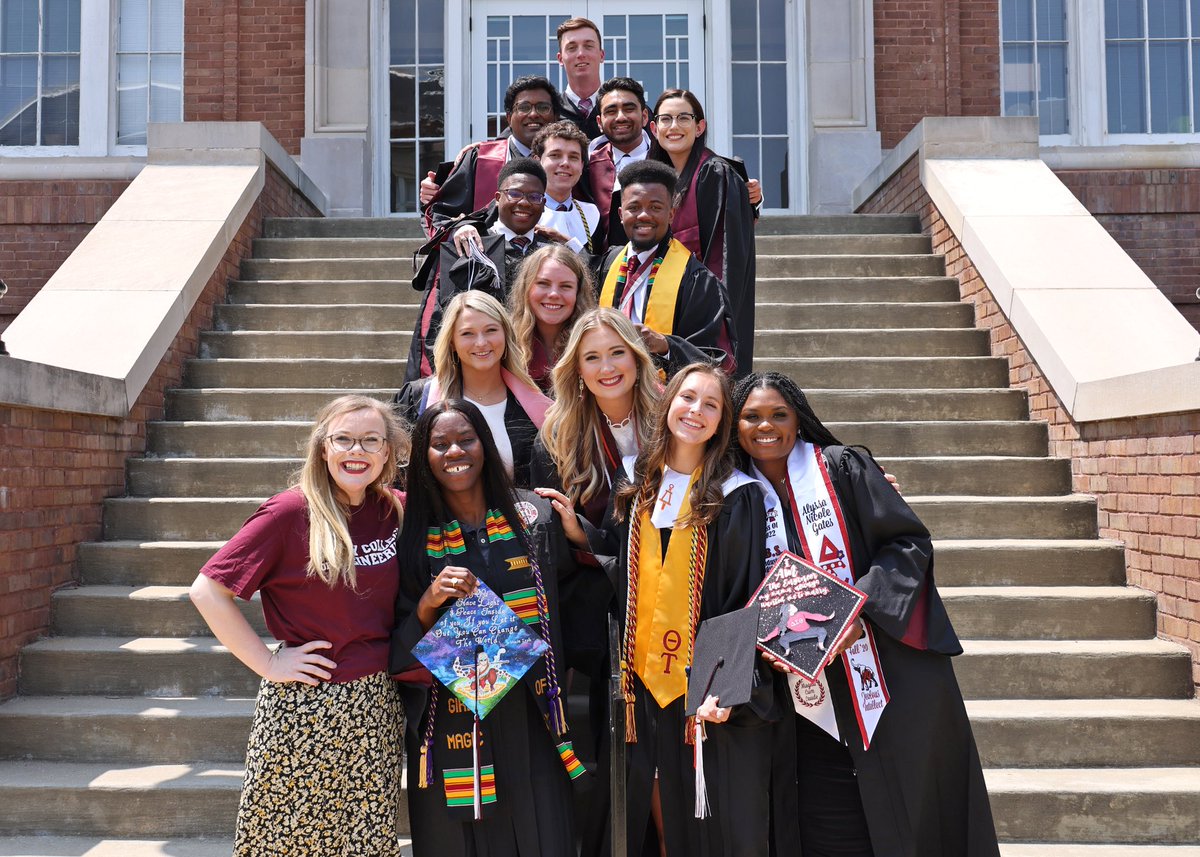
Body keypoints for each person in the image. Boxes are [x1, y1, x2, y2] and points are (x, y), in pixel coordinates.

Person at [732, 371, 1001, 857]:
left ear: (799, 419)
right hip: (798, 685)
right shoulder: (734, 496)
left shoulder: (841, 468)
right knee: (824, 811)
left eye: (779, 414)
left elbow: (906, 542)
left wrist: (859, 610)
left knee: (908, 803)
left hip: (882, 664)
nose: (765, 426)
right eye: (751, 416)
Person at [188, 395, 409, 856]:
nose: (357, 451)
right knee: (287, 842)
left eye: (371, 440)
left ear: (388, 452)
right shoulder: (290, 512)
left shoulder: (396, 510)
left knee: (365, 841)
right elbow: (208, 590)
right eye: (344, 439)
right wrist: (269, 663)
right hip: (305, 706)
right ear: (323, 448)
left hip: (378, 705)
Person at [390, 399, 599, 857]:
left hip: (535, 714)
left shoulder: (535, 518)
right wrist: (430, 601)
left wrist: (584, 537)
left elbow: (585, 594)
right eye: (440, 444)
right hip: (454, 719)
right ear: (423, 456)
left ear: (485, 444)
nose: (455, 452)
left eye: (466, 439)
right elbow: (397, 644)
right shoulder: (413, 540)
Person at [600, 362, 784, 857]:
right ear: (667, 404)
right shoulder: (636, 480)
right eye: (687, 398)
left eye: (711, 404)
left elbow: (741, 595)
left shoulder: (735, 495)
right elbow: (624, 568)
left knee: (701, 819)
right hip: (639, 681)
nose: (695, 411)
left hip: (700, 687)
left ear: (723, 421)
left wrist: (720, 687)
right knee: (643, 807)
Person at [532, 307, 664, 857]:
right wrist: (585, 536)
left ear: (636, 357)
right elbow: (554, 536)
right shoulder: (557, 436)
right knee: (614, 742)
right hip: (598, 607)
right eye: (592, 358)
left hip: (673, 599)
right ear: (576, 370)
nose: (606, 367)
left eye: (616, 353)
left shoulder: (673, 417)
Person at [406, 158, 550, 381]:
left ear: (544, 203)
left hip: (538, 378)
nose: (524, 202)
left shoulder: (551, 252)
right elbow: (441, 323)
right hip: (477, 377)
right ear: (497, 198)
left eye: (534, 197)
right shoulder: (469, 247)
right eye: (514, 194)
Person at [649, 89, 757, 377]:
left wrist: (715, 319)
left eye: (684, 118)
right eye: (666, 119)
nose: (674, 127)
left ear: (700, 127)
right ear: (654, 127)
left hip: (703, 315)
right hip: (663, 306)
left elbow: (725, 259)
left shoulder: (715, 174)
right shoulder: (658, 181)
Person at [396, 290, 551, 489]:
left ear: (505, 334)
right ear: (452, 342)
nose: (481, 342)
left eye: (491, 330)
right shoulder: (417, 399)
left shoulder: (537, 408)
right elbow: (397, 478)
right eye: (467, 333)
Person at [596, 159, 737, 377]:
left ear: (671, 214)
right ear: (620, 214)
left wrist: (666, 346)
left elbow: (715, 360)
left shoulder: (696, 279)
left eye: (655, 207)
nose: (644, 215)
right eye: (634, 207)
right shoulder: (608, 264)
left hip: (665, 401)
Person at [423, 76, 561, 235]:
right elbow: (442, 214)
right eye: (524, 107)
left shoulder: (570, 163)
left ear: (555, 117)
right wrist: (461, 229)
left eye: (543, 107)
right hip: (489, 255)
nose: (533, 114)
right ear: (509, 117)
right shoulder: (479, 158)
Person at [506, 244, 598, 393]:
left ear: (578, 293)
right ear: (526, 288)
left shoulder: (595, 341)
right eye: (543, 284)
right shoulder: (505, 342)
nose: (554, 294)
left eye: (566, 286)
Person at [532, 121, 603, 255]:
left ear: (582, 166)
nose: (565, 163)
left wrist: (568, 242)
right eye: (555, 155)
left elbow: (598, 269)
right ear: (537, 162)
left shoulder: (592, 214)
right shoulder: (521, 210)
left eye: (573, 157)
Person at [555, 17, 605, 139]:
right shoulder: (551, 110)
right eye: (572, 48)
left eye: (588, 46)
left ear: (601, 55)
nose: (581, 54)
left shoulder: (622, 108)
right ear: (560, 59)